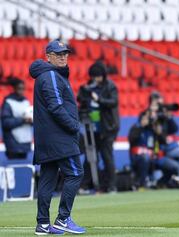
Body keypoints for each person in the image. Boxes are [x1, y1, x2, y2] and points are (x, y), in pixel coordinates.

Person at [29, 39, 85, 235]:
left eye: (65, 53)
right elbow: (55, 105)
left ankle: (43, 224)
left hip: (47, 137)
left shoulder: (49, 74)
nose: (63, 57)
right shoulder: (51, 75)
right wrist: (73, 126)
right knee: (75, 173)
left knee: (47, 179)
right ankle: (62, 219)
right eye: (58, 54)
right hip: (59, 137)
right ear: (49, 56)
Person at [78, 62, 120, 193]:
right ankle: (85, 185)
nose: (96, 79)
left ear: (103, 76)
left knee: (107, 156)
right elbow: (80, 100)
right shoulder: (88, 86)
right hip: (91, 126)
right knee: (90, 156)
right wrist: (84, 95)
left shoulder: (110, 86)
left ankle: (111, 185)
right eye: (94, 77)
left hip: (108, 128)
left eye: (98, 77)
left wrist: (99, 99)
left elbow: (113, 102)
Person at [148, 92, 179, 187]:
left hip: (167, 149)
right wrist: (152, 115)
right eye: (158, 104)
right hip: (156, 151)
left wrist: (169, 117)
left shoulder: (164, 117)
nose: (160, 107)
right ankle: (160, 182)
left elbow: (175, 129)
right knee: (175, 166)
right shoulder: (147, 114)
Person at [1, 78, 32, 160]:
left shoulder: (26, 102)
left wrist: (31, 120)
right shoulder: (8, 102)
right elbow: (6, 123)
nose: (21, 91)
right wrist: (23, 120)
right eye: (19, 88)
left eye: (23, 89)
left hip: (25, 142)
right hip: (13, 143)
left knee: (23, 169)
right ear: (14, 89)